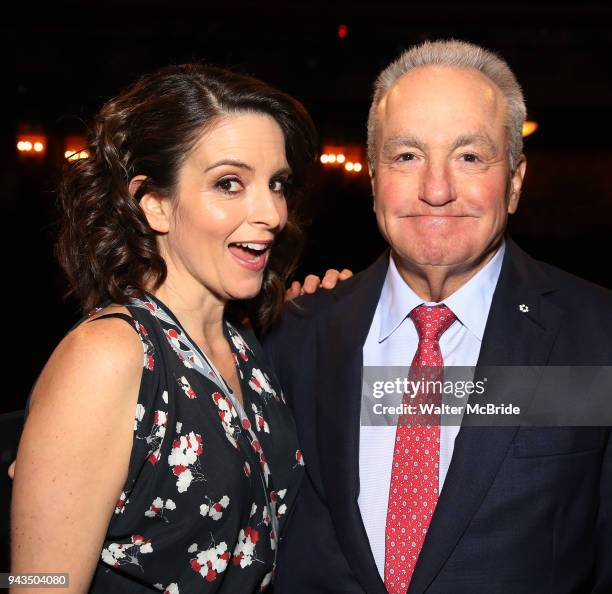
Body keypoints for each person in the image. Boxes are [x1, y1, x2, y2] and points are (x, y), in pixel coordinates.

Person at [263, 39, 612, 593]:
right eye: (407, 156)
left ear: (516, 181)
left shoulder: (596, 336)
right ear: (375, 178)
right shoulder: (291, 336)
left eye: (469, 156)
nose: (436, 189)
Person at [10, 63, 323, 593]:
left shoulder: (243, 346)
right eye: (230, 183)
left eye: (276, 184)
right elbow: (37, 583)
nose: (270, 211)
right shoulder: (109, 355)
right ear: (154, 203)